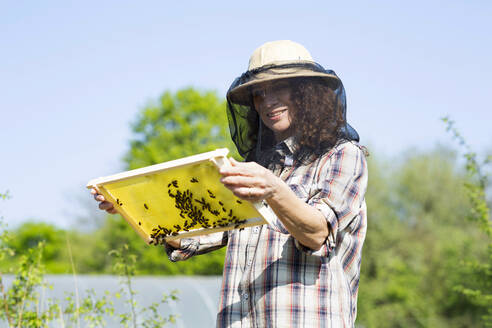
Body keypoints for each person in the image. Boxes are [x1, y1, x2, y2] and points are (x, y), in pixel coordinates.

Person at [92, 40, 368, 327]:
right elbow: (191, 236)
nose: (267, 101)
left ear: (306, 93)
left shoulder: (342, 156)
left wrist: (272, 189)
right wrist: (132, 205)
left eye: (278, 88)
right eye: (259, 94)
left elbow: (317, 234)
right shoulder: (259, 169)